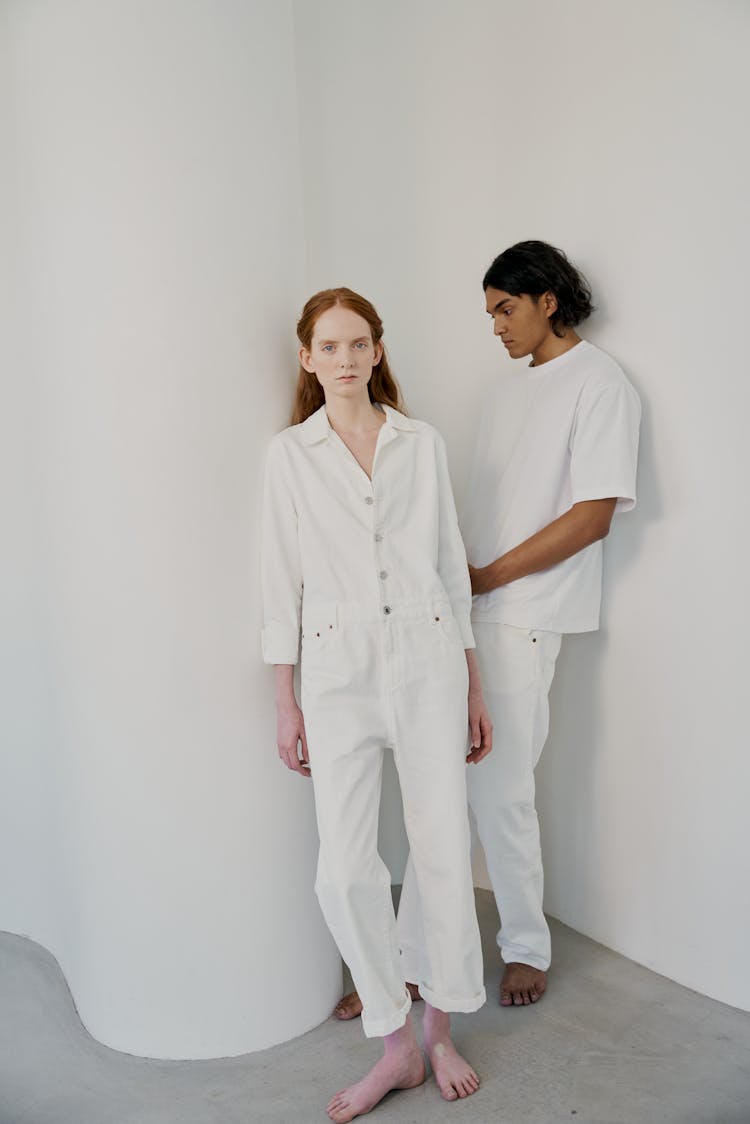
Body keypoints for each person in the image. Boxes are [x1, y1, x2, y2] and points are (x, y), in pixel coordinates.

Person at [335, 240, 641, 1019]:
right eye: (489, 313)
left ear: (548, 299)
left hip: (524, 616)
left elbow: (593, 514)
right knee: (439, 794)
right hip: (461, 616)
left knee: (498, 794)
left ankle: (525, 947)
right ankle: (406, 966)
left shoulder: (601, 385)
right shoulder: (508, 394)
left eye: (506, 308)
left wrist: (488, 578)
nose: (496, 326)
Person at [261, 288, 492, 1122]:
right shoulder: (290, 455)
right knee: (344, 868)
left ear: (378, 349)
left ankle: (439, 1027)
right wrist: (284, 703)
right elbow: (275, 584)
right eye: (330, 347)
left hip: (429, 661)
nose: (348, 360)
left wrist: (471, 681)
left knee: (439, 850)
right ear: (308, 358)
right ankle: (393, 1043)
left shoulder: (419, 444)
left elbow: (449, 565)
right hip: (336, 670)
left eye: (360, 344)